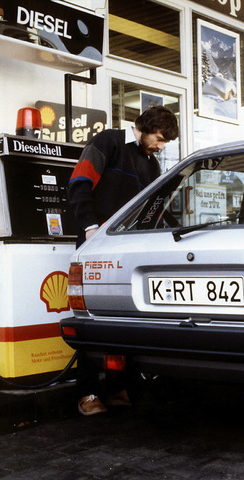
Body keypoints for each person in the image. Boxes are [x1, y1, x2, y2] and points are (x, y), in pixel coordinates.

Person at [67, 106, 179, 415]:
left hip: (129, 251)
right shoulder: (108, 142)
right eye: (159, 139)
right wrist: (90, 227)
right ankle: (87, 393)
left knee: (124, 319)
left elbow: (153, 210)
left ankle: (117, 388)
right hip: (95, 243)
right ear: (145, 128)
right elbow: (79, 183)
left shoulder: (152, 165)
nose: (161, 146)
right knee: (91, 318)